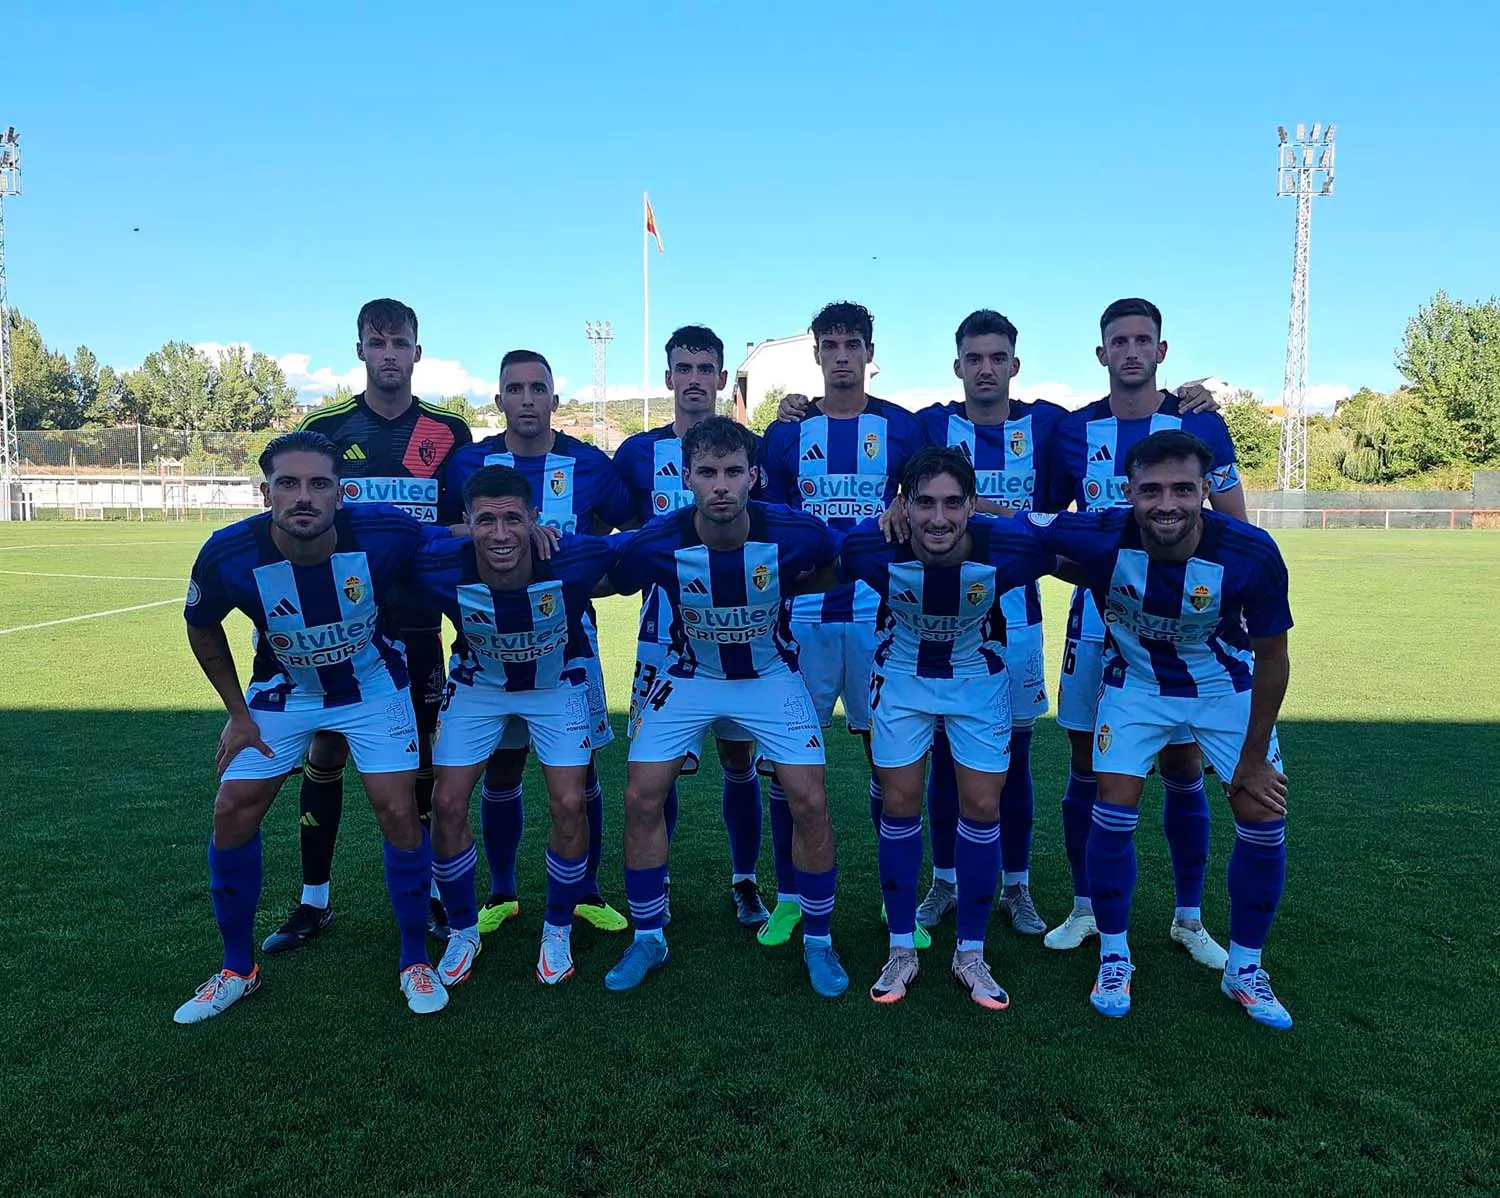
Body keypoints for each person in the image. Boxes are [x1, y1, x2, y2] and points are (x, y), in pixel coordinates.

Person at [1021, 430, 1293, 1028]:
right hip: (1136, 686)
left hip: (1223, 687)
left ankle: (1245, 968)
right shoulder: (1099, 533)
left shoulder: (1250, 552)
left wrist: (1252, 759)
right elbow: (1010, 523)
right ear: (1129, 492)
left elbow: (1274, 657)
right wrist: (919, 509)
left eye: (1182, 489)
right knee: (1112, 807)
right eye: (1151, 490)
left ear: (1205, 490)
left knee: (1263, 816)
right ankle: (1115, 955)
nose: (1166, 503)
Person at [175, 431, 450, 1023]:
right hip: (283, 693)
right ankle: (237, 969)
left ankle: (414, 958)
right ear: (266, 492)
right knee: (232, 808)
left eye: (319, 484)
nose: (304, 496)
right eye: (289, 484)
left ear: (340, 494)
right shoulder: (228, 553)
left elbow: (450, 542)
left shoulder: (383, 530)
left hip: (374, 687)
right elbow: (201, 623)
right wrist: (237, 714)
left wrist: (512, 530)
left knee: (398, 809)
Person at [603, 417, 849, 997]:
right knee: (641, 794)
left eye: (733, 471)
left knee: (810, 799)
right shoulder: (658, 539)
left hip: (769, 675)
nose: (721, 485)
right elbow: (606, 570)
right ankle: (648, 936)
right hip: (690, 675)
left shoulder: (792, 530)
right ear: (686, 477)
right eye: (708, 472)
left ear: (753, 477)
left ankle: (819, 941)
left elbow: (840, 559)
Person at [1037, 298, 1246, 970]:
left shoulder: (1198, 421)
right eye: (1118, 341)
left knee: (1183, 766)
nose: (1130, 351)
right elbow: (1051, 530)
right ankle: (1085, 907)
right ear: (1101, 354)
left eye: (1142, 340)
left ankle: (1189, 918)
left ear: (1161, 350)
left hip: (1184, 631)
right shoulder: (1073, 431)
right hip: (1096, 623)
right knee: (1086, 763)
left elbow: (1235, 526)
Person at [815, 448, 1064, 1009]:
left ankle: (971, 952)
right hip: (902, 676)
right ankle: (901, 948)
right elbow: (816, 561)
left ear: (972, 505)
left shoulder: (1009, 546)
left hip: (977, 677)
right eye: (924, 503)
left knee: (983, 806)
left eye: (953, 503)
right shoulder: (872, 545)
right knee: (899, 803)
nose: (938, 518)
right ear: (902, 506)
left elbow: (1077, 545)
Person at [268, 298, 471, 952]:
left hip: (416, 622)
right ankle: (314, 900)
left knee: (423, 758)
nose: (389, 354)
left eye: (399, 342)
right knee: (326, 751)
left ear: (417, 352)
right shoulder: (325, 428)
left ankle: (432, 892)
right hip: (339, 624)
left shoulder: (448, 432)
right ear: (360, 350)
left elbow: (461, 525)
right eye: (377, 342)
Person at [441, 350, 635, 935]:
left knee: (582, 773)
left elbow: (619, 532)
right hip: (487, 644)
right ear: (499, 398)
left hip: (570, 641)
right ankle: (501, 893)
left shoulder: (590, 463)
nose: (527, 399)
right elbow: (442, 532)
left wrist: (571, 567)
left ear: (555, 397)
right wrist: (513, 532)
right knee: (502, 770)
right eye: (515, 389)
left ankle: (586, 892)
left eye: (537, 388)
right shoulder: (468, 462)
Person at [410, 466, 621, 992]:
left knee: (569, 801)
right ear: (467, 522)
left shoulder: (572, 555)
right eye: (486, 521)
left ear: (534, 518)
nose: (500, 533)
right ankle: (463, 931)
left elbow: (636, 554)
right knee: (447, 802)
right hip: (479, 685)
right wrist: (450, 533)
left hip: (555, 684)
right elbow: (392, 533)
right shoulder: (441, 563)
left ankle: (557, 928)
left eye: (513, 520)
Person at [757, 301, 928, 948]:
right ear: (817, 356)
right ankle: (789, 896)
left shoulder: (903, 429)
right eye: (830, 346)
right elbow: (768, 518)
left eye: (852, 344)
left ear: (869, 353)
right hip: (802, 615)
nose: (842, 356)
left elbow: (927, 503)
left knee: (888, 759)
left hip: (878, 614)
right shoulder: (787, 434)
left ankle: (894, 901)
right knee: (789, 761)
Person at [613, 325, 768, 928]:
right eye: (685, 368)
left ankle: (745, 880)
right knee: (660, 766)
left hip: (739, 631)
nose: (695, 379)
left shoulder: (753, 450)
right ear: (668, 377)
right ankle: (661, 880)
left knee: (739, 758)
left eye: (706, 368)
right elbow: (615, 530)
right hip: (662, 635)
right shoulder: (636, 455)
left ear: (722, 379)